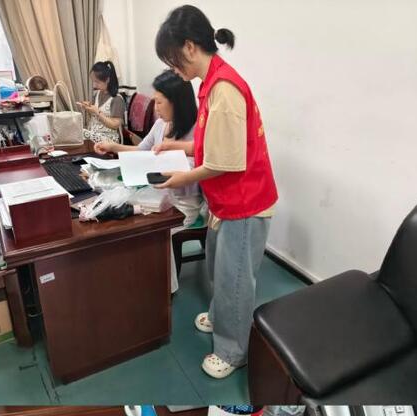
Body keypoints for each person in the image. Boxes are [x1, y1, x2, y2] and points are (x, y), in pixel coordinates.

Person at [152, 5, 277, 380]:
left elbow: (225, 162)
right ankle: (223, 316)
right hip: (226, 200)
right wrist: (176, 147)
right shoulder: (210, 84)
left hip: (245, 202)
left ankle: (233, 351)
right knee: (219, 270)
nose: (173, 68)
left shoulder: (224, 90)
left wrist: (178, 178)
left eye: (172, 59)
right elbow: (212, 144)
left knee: (235, 279)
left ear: (189, 47)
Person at [94, 70, 204, 294]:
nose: (156, 108)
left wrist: (164, 169)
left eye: (160, 102)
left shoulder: (197, 131)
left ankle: (164, 290)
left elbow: (196, 172)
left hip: (184, 204)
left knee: (153, 230)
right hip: (158, 195)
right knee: (124, 216)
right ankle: (138, 278)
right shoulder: (161, 124)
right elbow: (140, 151)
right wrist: (113, 147)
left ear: (177, 102)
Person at [78, 61, 126, 143]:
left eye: (97, 82)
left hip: (109, 139)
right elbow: (95, 117)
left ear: (107, 80)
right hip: (95, 134)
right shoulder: (97, 94)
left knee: (79, 133)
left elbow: (115, 125)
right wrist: (88, 108)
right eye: (93, 81)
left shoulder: (116, 99)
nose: (94, 85)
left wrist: (97, 112)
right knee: (76, 131)